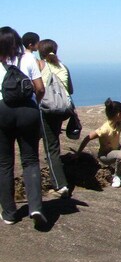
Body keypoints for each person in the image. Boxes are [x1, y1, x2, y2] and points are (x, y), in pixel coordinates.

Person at [0, 27, 46, 227]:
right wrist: (33, 102)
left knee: (4, 164)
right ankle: (35, 207)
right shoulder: (27, 59)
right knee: (30, 160)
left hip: (2, 110)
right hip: (28, 111)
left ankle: (9, 213)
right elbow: (40, 88)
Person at [37, 39, 75, 198]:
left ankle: (60, 185)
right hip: (63, 109)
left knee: (50, 147)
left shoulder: (40, 66)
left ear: (41, 52)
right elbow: (70, 90)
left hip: (47, 110)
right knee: (53, 143)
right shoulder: (63, 67)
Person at [77, 98, 121, 188]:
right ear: (118, 114)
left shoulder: (120, 123)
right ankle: (117, 176)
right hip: (105, 155)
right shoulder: (105, 129)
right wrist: (78, 153)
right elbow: (88, 138)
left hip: (116, 149)